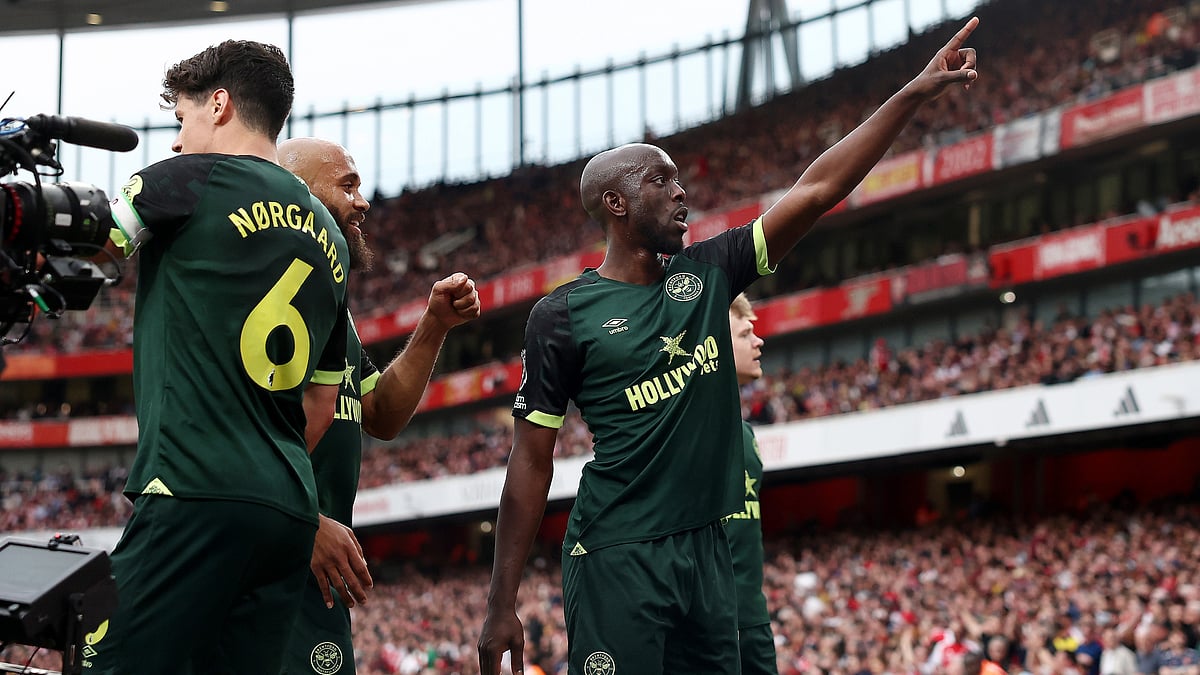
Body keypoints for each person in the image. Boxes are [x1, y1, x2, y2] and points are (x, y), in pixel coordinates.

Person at [478, 17, 980, 675]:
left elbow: (818, 189)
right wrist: (500, 602)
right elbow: (531, 461)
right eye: (660, 179)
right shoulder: (563, 315)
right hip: (617, 553)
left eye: (680, 177)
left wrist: (912, 93)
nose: (681, 190)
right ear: (614, 203)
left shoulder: (709, 273)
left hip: (710, 552)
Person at [84, 40, 351, 675]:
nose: (176, 140)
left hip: (191, 488)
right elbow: (322, 397)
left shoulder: (179, 181)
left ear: (220, 104)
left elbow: (89, 250)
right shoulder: (331, 235)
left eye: (182, 119)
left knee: (103, 662)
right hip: (287, 508)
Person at [276, 137, 481, 675]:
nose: (363, 201)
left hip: (317, 588)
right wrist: (300, 519)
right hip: (264, 570)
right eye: (347, 185)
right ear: (298, 196)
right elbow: (225, 436)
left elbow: (381, 414)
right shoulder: (261, 296)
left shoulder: (330, 305)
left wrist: (435, 324)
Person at [727, 293, 777, 675]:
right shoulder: (684, 430)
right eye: (745, 334)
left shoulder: (745, 434)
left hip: (753, 619)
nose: (758, 341)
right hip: (709, 626)